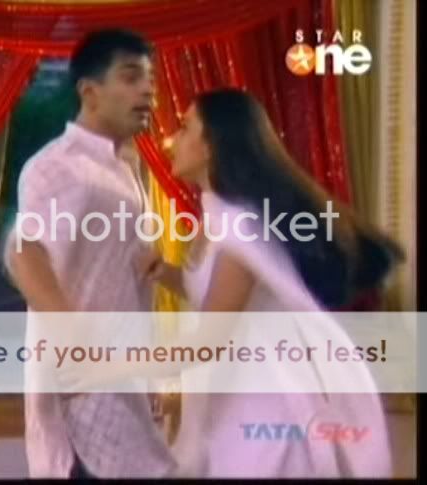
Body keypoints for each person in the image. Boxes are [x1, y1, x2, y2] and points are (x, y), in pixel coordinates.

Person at [61, 89, 404, 478]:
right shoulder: (217, 214)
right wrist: (166, 273)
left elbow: (207, 341)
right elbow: (214, 294)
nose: (171, 140)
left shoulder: (239, 230)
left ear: (212, 145)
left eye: (186, 128)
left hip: (268, 407)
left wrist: (104, 368)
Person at [4, 30, 176, 478]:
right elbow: (24, 251)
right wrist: (77, 343)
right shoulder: (57, 165)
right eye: (131, 77)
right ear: (90, 92)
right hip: (83, 401)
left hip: (125, 384)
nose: (148, 90)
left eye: (151, 79)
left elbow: (129, 282)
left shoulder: (123, 166)